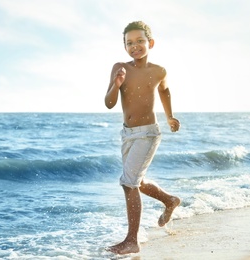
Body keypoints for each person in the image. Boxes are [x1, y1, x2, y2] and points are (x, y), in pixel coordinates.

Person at [104, 21, 181, 255]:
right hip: (127, 134)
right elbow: (109, 103)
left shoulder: (159, 71)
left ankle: (131, 240)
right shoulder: (120, 68)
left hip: (148, 132)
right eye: (129, 43)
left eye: (140, 41)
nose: (135, 46)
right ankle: (170, 201)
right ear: (124, 46)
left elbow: (164, 90)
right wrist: (116, 85)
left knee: (129, 183)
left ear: (151, 43)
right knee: (138, 182)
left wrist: (169, 117)